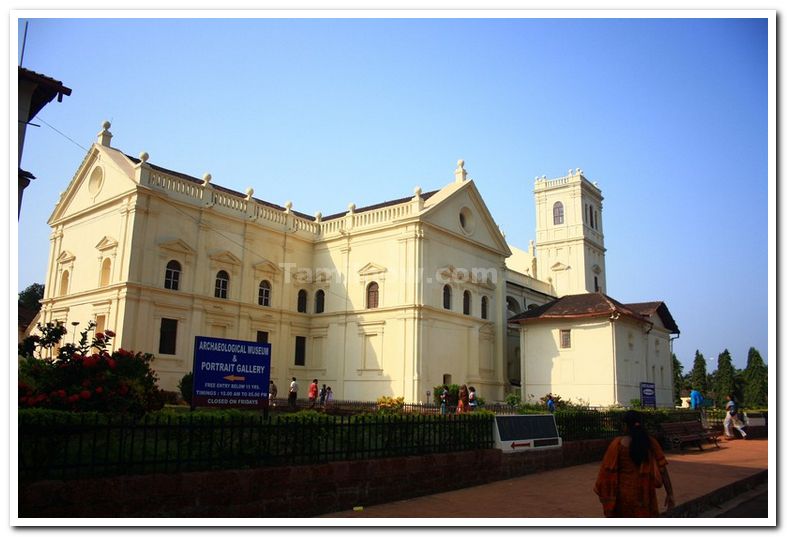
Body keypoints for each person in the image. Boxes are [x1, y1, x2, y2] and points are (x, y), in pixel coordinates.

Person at [594, 410, 675, 517]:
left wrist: (605, 495)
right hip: (644, 495)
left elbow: (607, 470)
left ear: (625, 426)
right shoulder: (650, 442)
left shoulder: (618, 444)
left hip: (623, 496)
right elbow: (663, 469)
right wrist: (670, 493)